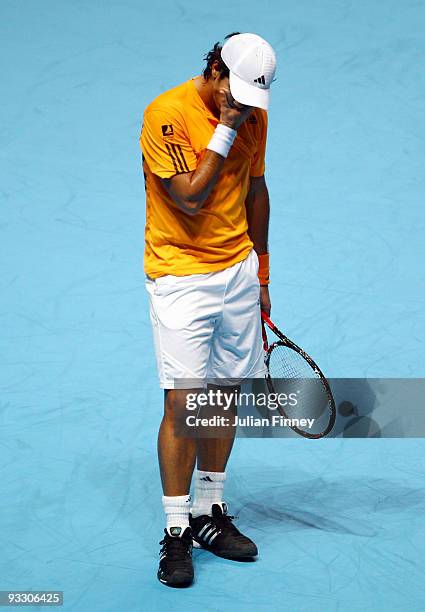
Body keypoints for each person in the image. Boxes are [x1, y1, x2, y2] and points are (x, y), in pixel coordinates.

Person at [140, 32, 277, 587]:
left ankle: (208, 513)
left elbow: (257, 190)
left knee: (224, 394)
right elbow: (190, 196)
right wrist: (226, 125)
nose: (245, 106)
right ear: (216, 71)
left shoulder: (252, 115)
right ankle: (176, 529)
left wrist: (262, 274)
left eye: (252, 100)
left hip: (238, 272)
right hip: (180, 278)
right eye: (237, 93)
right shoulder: (166, 116)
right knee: (183, 403)